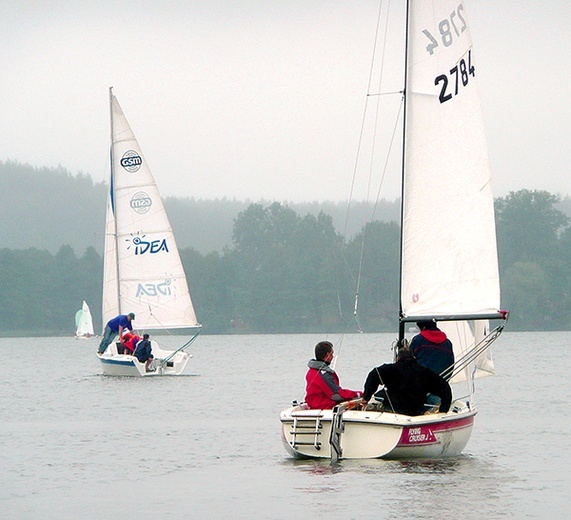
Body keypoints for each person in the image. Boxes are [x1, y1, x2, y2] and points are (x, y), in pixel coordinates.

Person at [362, 347, 452, 416]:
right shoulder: (425, 372)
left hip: (392, 410)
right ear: (413, 357)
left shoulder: (389, 370)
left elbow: (373, 375)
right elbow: (445, 388)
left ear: (397, 358)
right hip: (416, 412)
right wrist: (443, 410)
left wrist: (366, 397)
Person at [304, 341, 362, 409]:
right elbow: (336, 395)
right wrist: (358, 394)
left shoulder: (311, 371)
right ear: (327, 354)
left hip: (314, 404)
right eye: (332, 354)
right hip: (323, 406)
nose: (333, 356)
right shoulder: (323, 374)